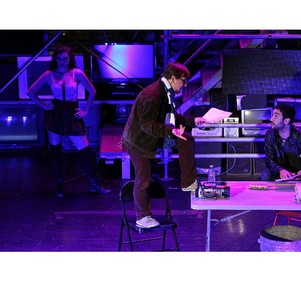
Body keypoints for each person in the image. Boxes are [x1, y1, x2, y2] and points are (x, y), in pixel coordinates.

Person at [121, 62, 206, 228]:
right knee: (143, 178)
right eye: (183, 80)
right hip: (138, 141)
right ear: (173, 78)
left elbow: (172, 115)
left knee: (186, 140)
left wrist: (193, 121)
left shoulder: (165, 91)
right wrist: (170, 131)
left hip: (151, 136)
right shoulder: (153, 94)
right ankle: (142, 217)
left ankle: (188, 182)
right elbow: (147, 124)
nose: (185, 84)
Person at [27, 44, 110, 198]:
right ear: (55, 59)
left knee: (86, 152)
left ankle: (94, 184)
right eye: (59, 59)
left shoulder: (76, 73)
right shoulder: (49, 74)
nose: (62, 61)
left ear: (70, 59)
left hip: (72, 112)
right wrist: (44, 105)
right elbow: (30, 91)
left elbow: (92, 91)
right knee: (56, 152)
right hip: (56, 112)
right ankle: (59, 186)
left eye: (65, 59)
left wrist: (86, 109)